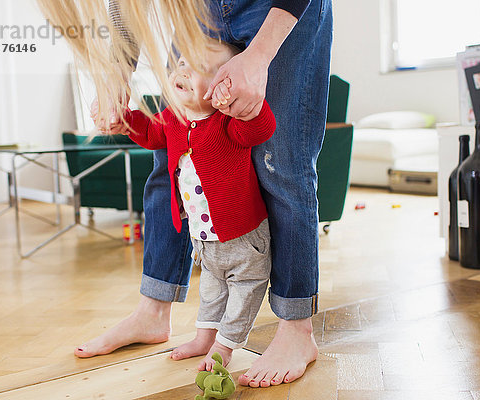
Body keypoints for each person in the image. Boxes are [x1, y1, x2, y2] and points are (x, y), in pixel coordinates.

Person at [38, 0, 332, 387]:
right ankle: (153, 311)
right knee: (169, 159)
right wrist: (118, 79)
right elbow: (125, 11)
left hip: (279, 9)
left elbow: (256, 129)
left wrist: (259, 56)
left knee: (284, 165)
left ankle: (297, 331)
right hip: (199, 12)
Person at [123, 40, 276, 371]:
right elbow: (149, 133)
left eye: (199, 68)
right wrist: (122, 117)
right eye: (181, 64)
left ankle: (226, 346)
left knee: (242, 296)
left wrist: (250, 104)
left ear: (226, 84)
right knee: (211, 292)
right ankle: (205, 337)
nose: (183, 71)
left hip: (244, 240)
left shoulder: (227, 121)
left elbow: (261, 128)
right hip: (203, 240)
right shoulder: (174, 118)